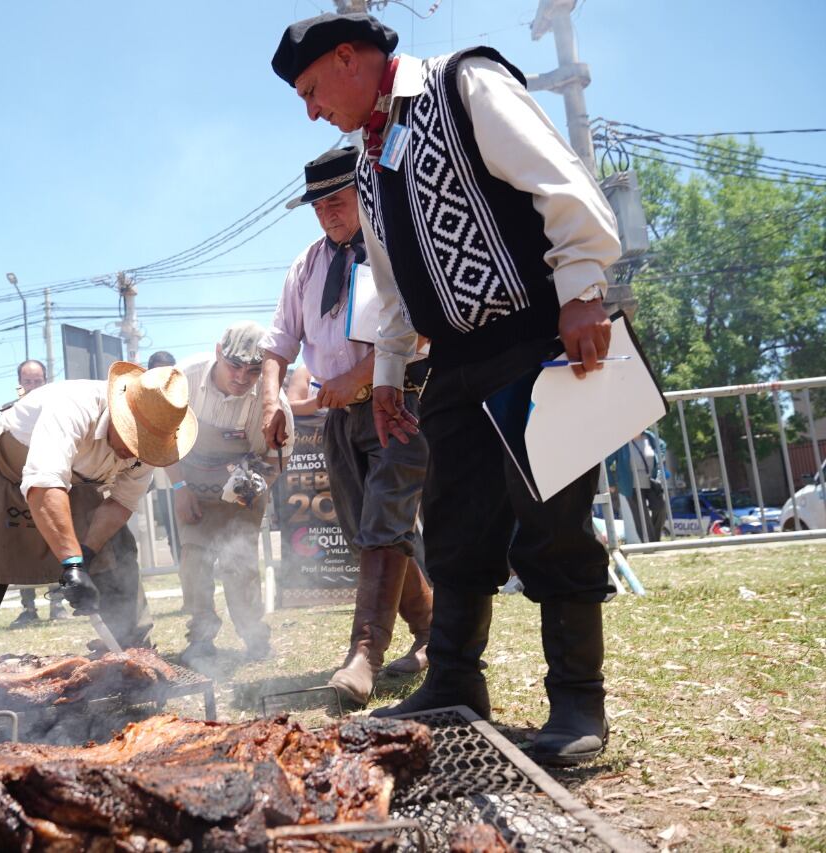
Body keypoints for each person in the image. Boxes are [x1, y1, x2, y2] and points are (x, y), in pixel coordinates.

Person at [271, 13, 622, 764]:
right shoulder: (367, 162)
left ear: (347, 58)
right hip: (456, 361)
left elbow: (557, 179)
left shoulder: (463, 82)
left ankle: (577, 704)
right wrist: (391, 374)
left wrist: (584, 287)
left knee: (552, 520)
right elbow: (394, 287)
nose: (309, 110)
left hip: (536, 335)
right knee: (454, 523)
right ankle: (456, 680)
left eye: (309, 90)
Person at [259, 146, 434, 707]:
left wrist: (363, 375)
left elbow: (423, 327)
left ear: (363, 193)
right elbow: (279, 343)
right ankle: (433, 634)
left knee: (384, 521)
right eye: (318, 204)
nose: (327, 212)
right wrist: (270, 401)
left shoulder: (396, 244)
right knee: (371, 534)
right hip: (338, 419)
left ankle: (365, 654)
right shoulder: (305, 266)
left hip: (400, 401)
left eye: (337, 199)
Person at [0, 362, 196, 657]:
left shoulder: (154, 439)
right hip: (6, 477)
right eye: (134, 440)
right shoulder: (71, 407)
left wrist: (88, 553)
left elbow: (121, 503)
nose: (137, 452)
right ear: (121, 415)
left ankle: (131, 653)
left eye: (146, 446)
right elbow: (44, 484)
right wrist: (73, 564)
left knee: (115, 553)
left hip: (75, 485)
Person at [168, 322, 292, 667]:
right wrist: (179, 487)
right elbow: (162, 439)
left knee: (240, 565)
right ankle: (201, 638)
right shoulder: (184, 380)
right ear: (218, 352)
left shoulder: (274, 401)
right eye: (234, 366)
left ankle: (254, 636)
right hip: (190, 484)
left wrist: (251, 492)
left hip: (245, 485)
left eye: (254, 371)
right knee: (194, 562)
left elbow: (278, 457)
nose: (241, 378)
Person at [0, 360, 70, 625]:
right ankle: (28, 608)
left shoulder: (59, 409)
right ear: (20, 383)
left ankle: (57, 604)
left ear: (45, 381)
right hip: (18, 489)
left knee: (55, 544)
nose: (32, 386)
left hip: (52, 485)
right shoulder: (9, 413)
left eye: (37, 381)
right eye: (27, 381)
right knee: (22, 548)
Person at [606, 430, 667, 543]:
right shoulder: (621, 442)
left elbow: (662, 445)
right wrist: (611, 482)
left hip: (651, 482)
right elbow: (606, 462)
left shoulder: (650, 437)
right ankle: (649, 544)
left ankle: (654, 540)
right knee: (641, 516)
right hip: (630, 485)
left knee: (660, 507)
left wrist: (660, 458)